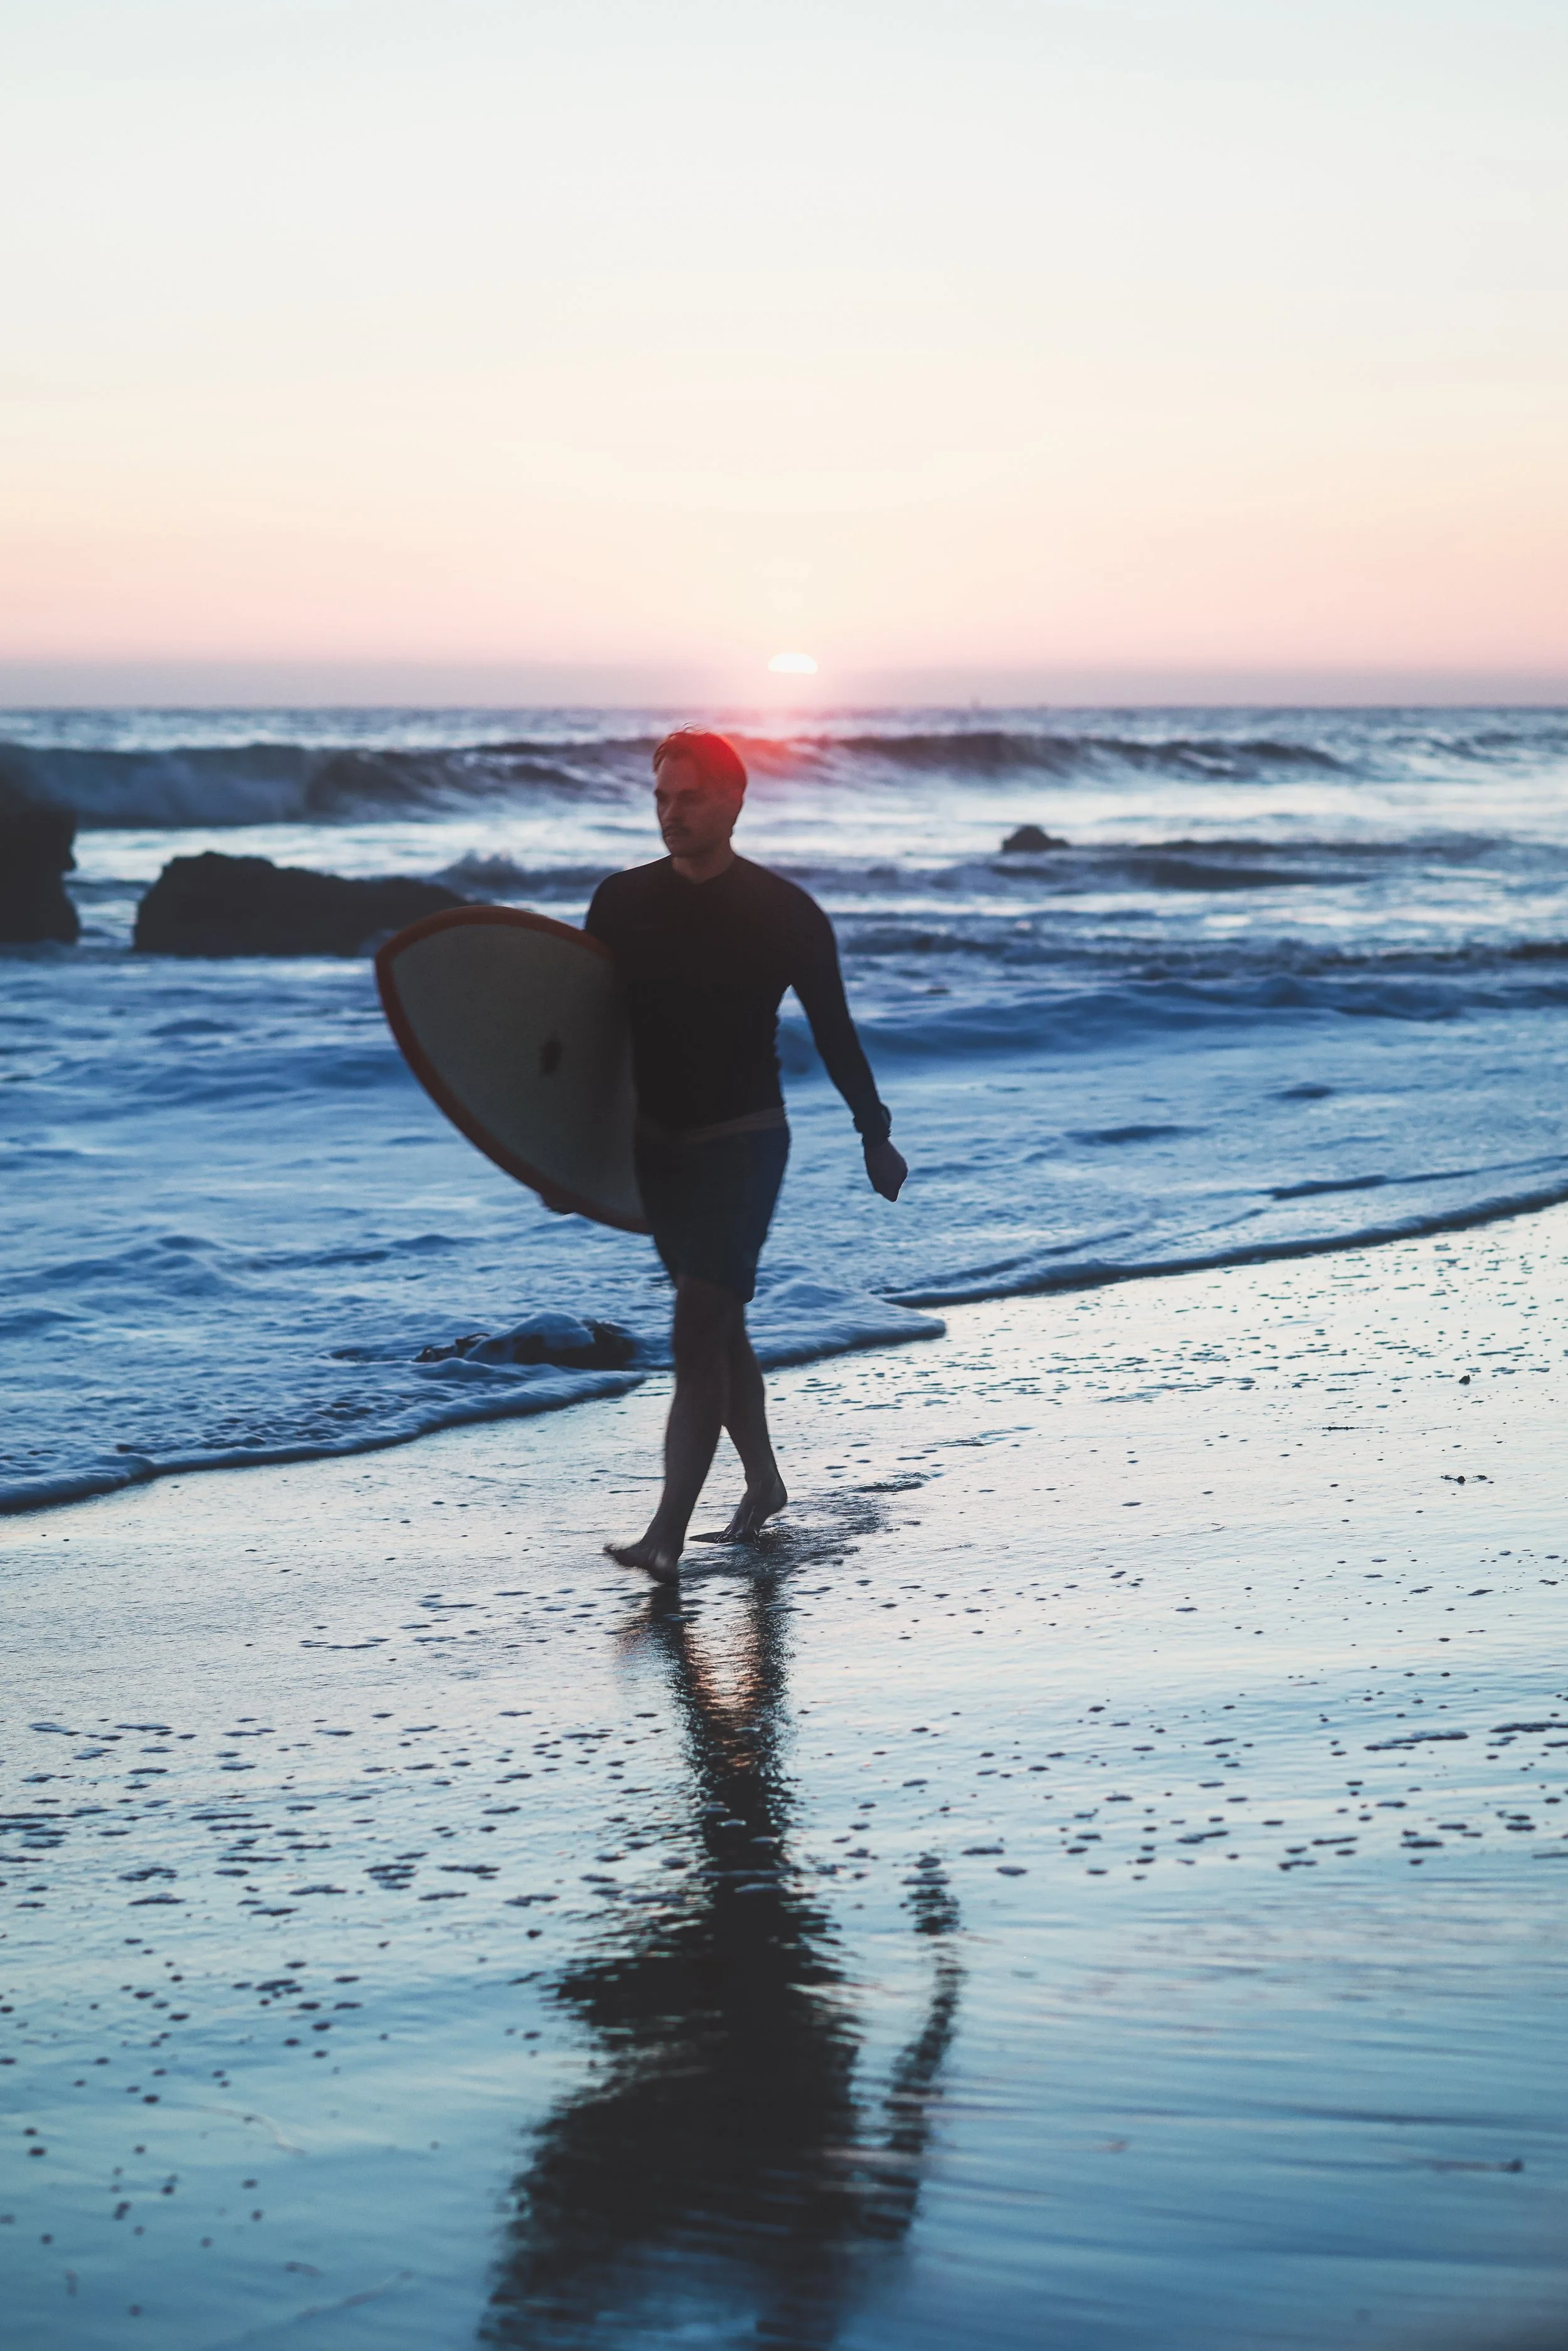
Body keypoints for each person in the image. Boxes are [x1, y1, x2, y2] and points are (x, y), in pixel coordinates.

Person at [585, 726, 906, 1581]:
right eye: (661, 797)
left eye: (689, 796)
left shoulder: (784, 912)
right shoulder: (620, 902)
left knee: (696, 1330)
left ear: (733, 799)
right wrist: (560, 1149)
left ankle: (664, 1535)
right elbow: (587, 1032)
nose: (672, 813)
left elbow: (835, 1032)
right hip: (659, 1151)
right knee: (720, 1328)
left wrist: (874, 1133)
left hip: (744, 1145)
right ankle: (763, 1481)